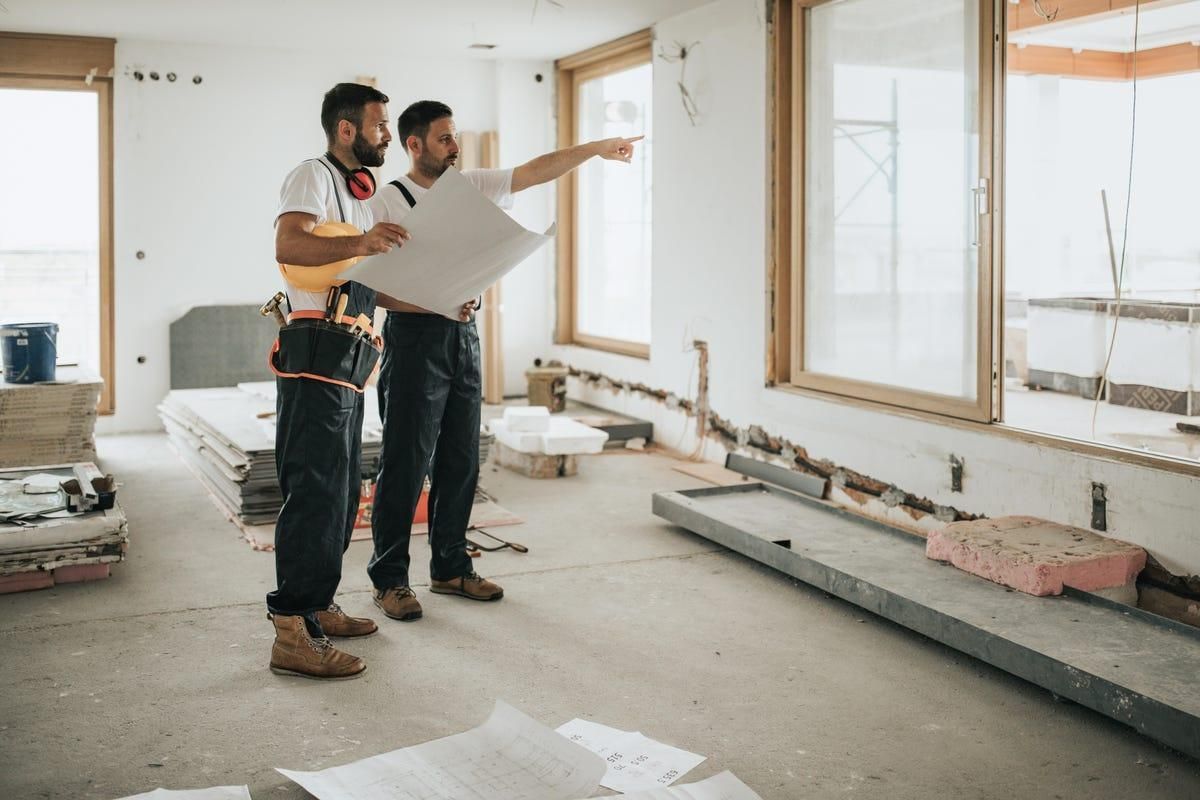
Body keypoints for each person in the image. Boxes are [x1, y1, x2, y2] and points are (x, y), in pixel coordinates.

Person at [366, 99, 642, 622]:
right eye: (444, 139)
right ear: (414, 144)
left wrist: (597, 149)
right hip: (414, 339)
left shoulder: (467, 187)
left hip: (463, 338)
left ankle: (449, 566)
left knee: (461, 459)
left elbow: (534, 171)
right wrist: (430, 299)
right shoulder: (386, 202)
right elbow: (369, 288)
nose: (455, 148)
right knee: (405, 463)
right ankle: (389, 580)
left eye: (456, 138)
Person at [265, 83, 411, 680]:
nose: (386, 136)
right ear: (346, 129)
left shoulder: (359, 200)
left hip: (350, 353)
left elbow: (366, 280)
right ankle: (292, 629)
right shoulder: (312, 176)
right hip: (314, 347)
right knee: (316, 490)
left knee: (345, 488)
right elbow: (290, 242)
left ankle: (319, 604)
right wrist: (365, 241)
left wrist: (438, 302)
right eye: (379, 126)